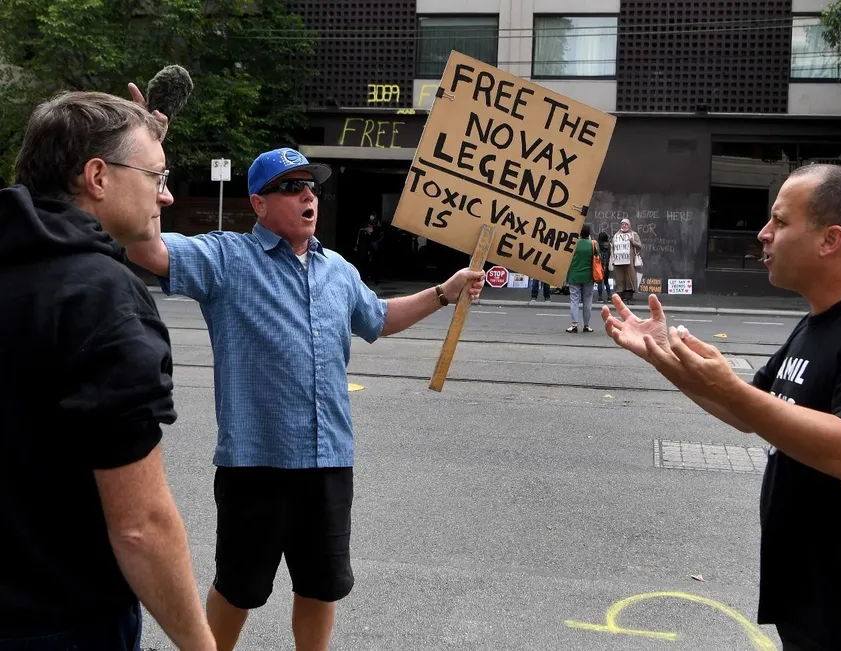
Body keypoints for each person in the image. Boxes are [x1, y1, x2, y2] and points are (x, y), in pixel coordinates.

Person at [125, 146, 485, 651]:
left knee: (321, 586)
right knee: (238, 588)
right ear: (259, 203)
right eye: (291, 187)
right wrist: (147, 175)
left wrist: (444, 292)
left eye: (311, 186)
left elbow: (379, 319)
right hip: (256, 463)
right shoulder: (227, 258)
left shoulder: (337, 268)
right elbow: (147, 251)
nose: (308, 196)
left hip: (328, 460)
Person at [602, 164, 841, 651]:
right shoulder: (820, 319)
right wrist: (663, 356)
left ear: (830, 239)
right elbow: (751, 413)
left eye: (781, 221)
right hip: (820, 602)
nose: (763, 234)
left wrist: (731, 389)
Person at [0, 91, 215, 649]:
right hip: (60, 621)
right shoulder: (101, 297)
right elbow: (140, 525)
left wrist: (140, 143)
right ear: (97, 176)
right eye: (157, 176)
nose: (166, 194)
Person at [564, 223, 596, 333]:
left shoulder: (573, 243)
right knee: (588, 301)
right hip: (589, 276)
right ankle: (586, 325)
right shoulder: (593, 244)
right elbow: (598, 258)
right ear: (589, 233)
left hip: (574, 276)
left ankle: (574, 325)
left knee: (574, 300)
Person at [609, 218, 641, 304]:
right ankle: (620, 294)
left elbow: (640, 246)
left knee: (630, 277)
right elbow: (612, 247)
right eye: (622, 224)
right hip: (618, 261)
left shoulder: (633, 234)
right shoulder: (616, 235)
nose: (624, 226)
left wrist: (632, 241)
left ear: (629, 225)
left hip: (629, 261)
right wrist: (612, 256)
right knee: (619, 278)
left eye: (626, 224)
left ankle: (629, 295)